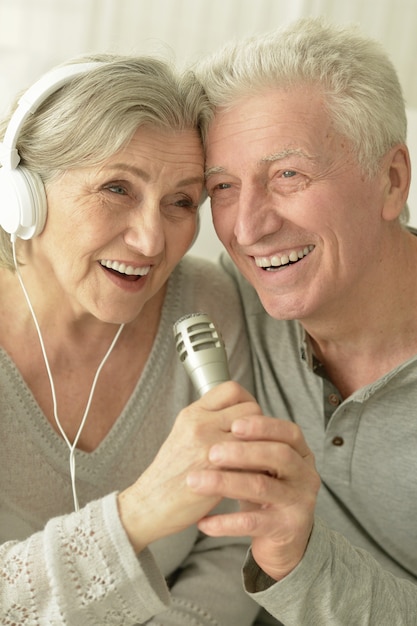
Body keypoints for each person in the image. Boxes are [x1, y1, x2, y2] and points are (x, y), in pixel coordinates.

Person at [0, 54, 261, 625]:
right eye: (117, 188)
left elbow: (231, 545)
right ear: (23, 195)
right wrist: (137, 514)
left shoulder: (206, 304)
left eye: (182, 202)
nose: (150, 241)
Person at [187, 17, 417, 625]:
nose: (247, 227)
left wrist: (297, 559)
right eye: (224, 187)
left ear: (392, 181)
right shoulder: (231, 301)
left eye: (289, 174)